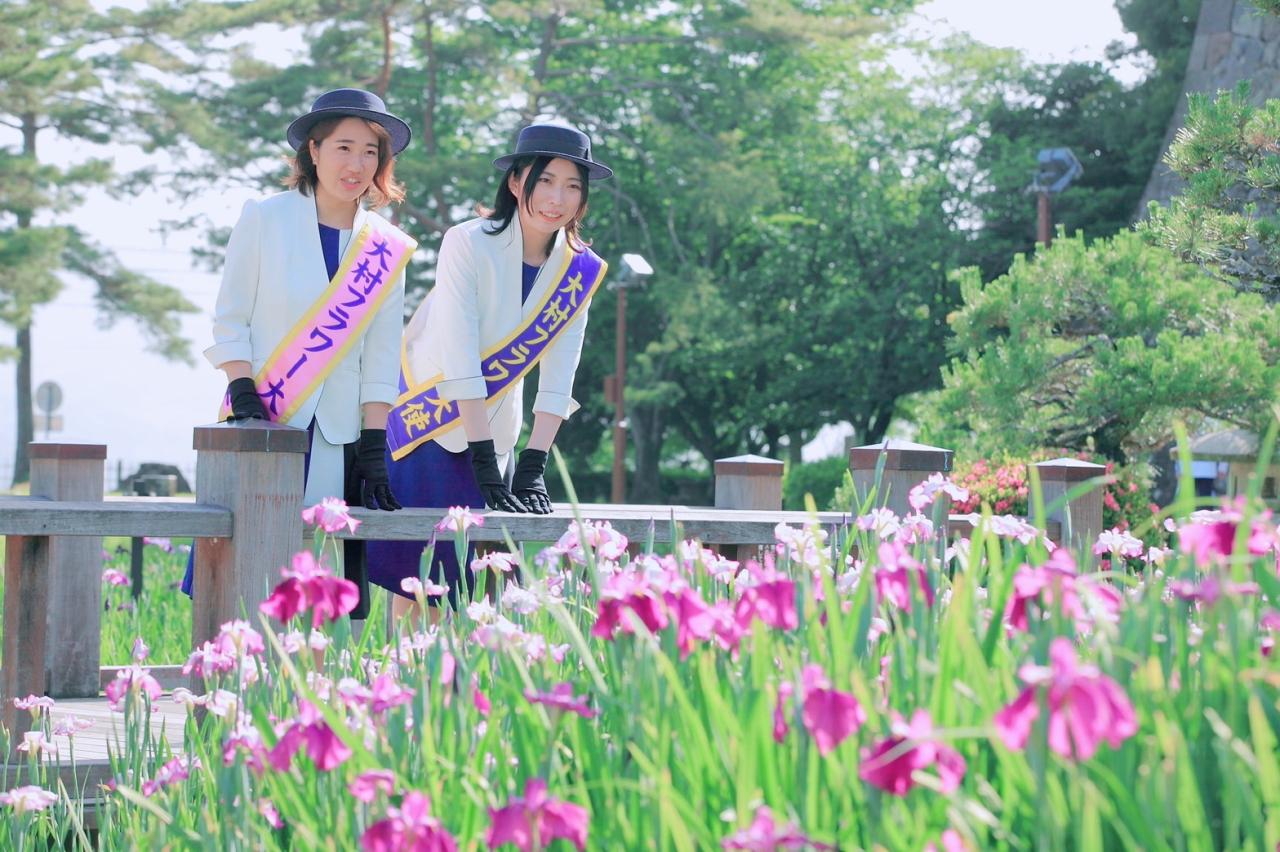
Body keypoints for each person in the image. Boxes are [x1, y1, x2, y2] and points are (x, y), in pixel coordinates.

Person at [182, 88, 415, 620]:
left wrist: (376, 445)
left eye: (370, 152)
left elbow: (382, 356)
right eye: (343, 147)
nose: (356, 164)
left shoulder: (385, 244)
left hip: (341, 438)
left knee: (321, 587)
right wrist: (242, 392)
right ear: (313, 150)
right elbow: (231, 318)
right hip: (265, 416)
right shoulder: (265, 217)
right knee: (248, 578)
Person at [368, 121, 612, 618]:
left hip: (497, 433)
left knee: (484, 591)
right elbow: (459, 354)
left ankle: (456, 692)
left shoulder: (580, 267)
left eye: (572, 186)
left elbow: (560, 372)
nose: (556, 198)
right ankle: (410, 692)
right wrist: (480, 457)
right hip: (428, 422)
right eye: (545, 181)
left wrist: (534, 462)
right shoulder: (468, 242)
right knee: (423, 586)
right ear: (517, 182)